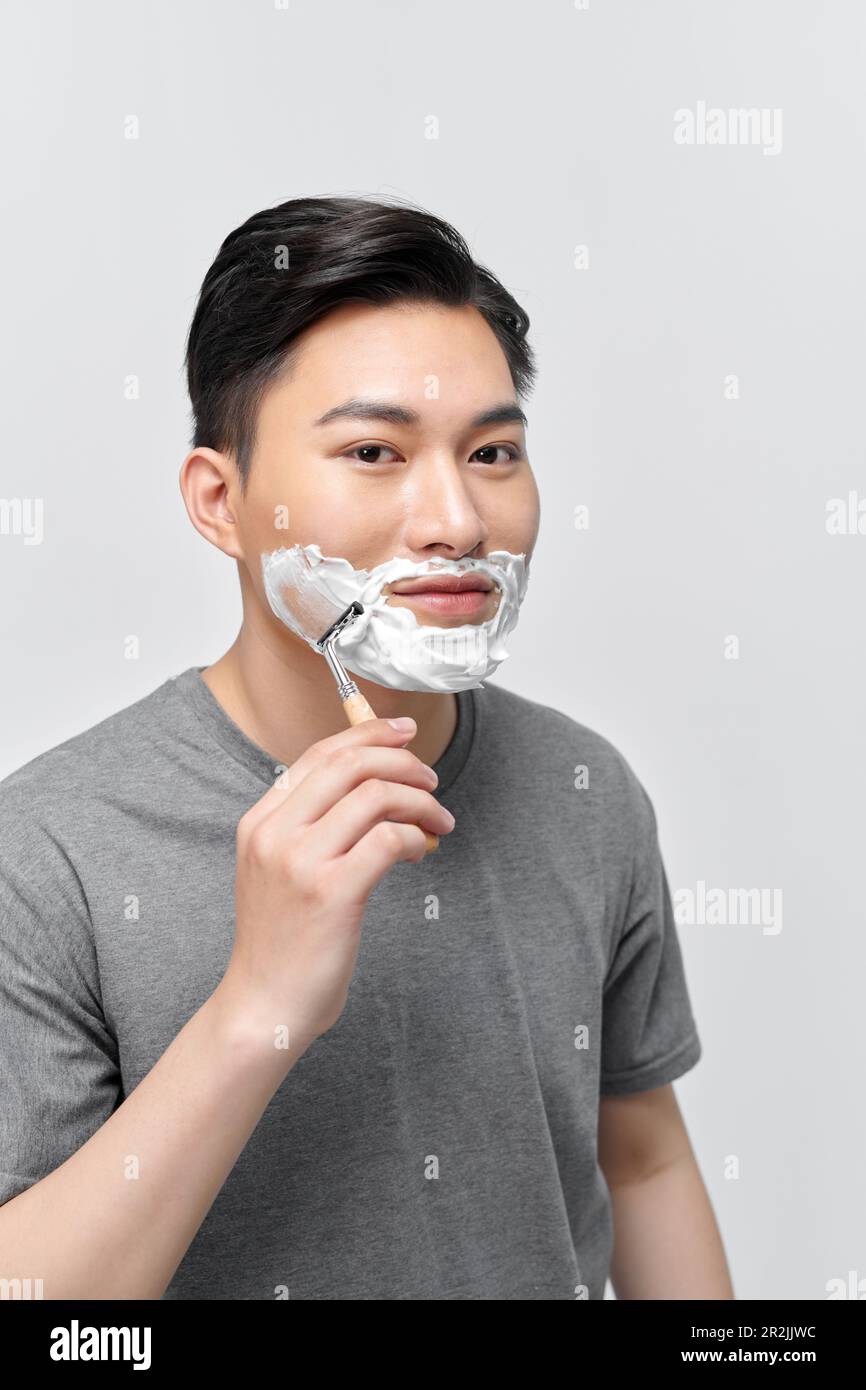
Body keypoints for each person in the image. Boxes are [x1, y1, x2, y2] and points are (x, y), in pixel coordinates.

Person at [0, 195, 734, 1300]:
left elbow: (644, 1159)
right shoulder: (50, 847)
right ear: (220, 500)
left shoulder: (589, 794)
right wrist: (256, 1007)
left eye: (491, 451)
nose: (455, 518)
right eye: (374, 450)